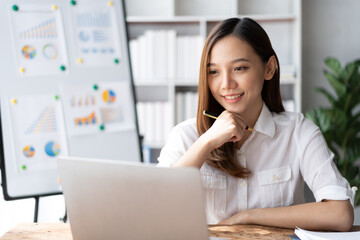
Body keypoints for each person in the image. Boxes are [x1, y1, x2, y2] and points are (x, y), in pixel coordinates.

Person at [157, 17, 356, 231]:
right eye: (214, 71)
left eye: (239, 68)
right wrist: (207, 142)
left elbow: (340, 213)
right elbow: (156, 204)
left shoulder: (297, 131)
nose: (226, 84)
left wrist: (249, 216)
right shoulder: (186, 135)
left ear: (269, 68)